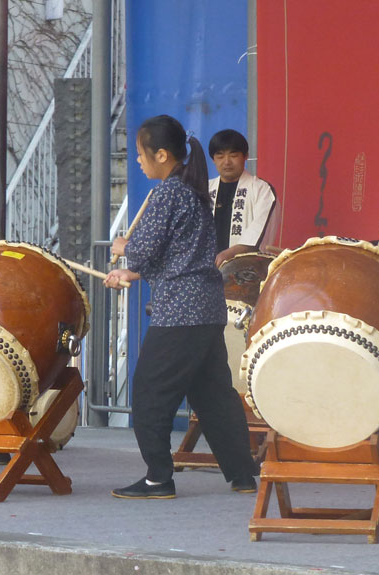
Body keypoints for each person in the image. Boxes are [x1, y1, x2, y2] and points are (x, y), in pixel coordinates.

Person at [104, 115, 260, 499]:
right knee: (213, 394)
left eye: (141, 154)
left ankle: (158, 478)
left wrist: (125, 249)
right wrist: (132, 274)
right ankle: (242, 475)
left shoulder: (168, 194)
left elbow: (141, 251)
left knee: (149, 392)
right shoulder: (192, 193)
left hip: (180, 312)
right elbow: (179, 255)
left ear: (161, 154)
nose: (138, 161)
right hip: (205, 307)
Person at [207, 129, 279, 267]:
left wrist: (228, 254)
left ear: (245, 156)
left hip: (248, 271)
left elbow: (258, 230)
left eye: (233, 155)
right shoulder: (205, 189)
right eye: (220, 156)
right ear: (213, 159)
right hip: (208, 272)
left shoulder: (261, 189)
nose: (226, 162)